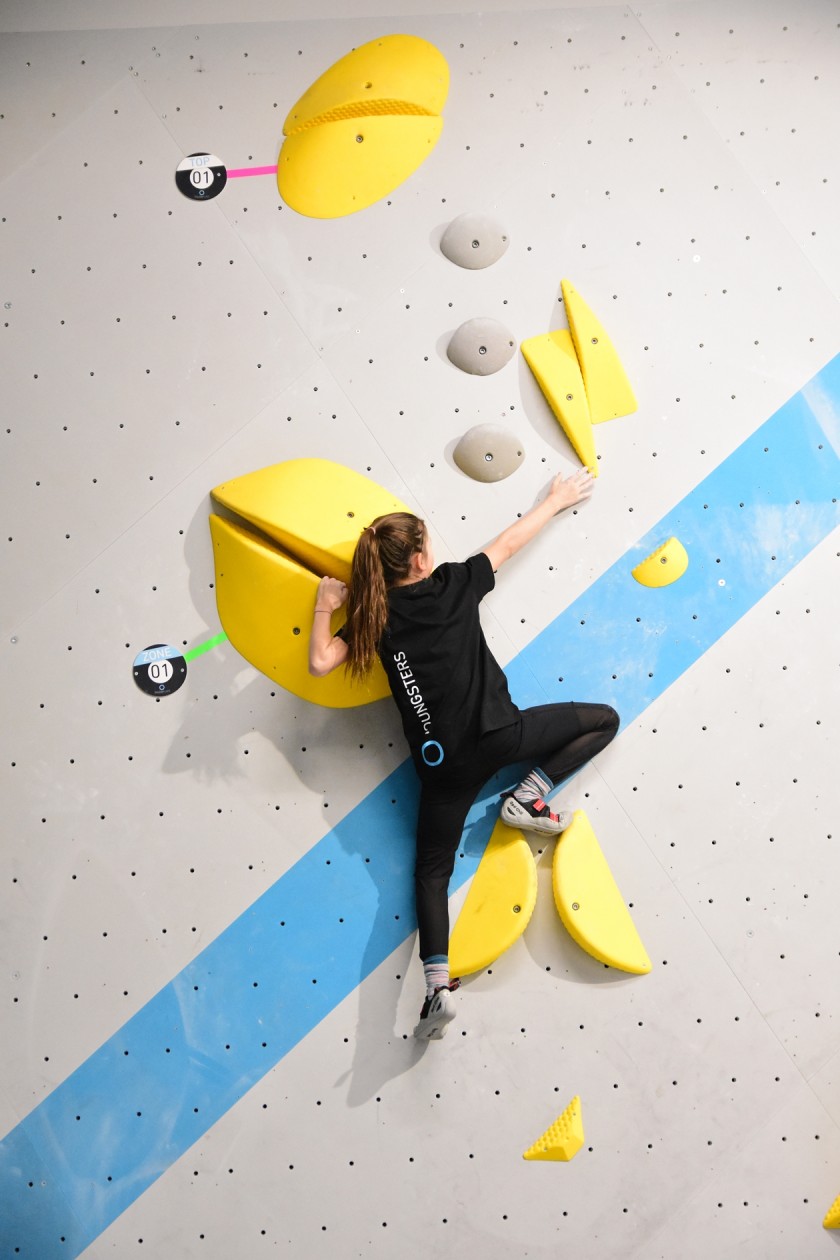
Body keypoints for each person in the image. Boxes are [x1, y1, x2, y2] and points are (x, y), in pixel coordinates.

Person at [309, 468, 619, 1041]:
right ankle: (529, 797)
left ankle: (436, 988)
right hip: (503, 737)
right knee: (603, 720)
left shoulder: (376, 621)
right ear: (422, 560)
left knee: (431, 872)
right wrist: (555, 499)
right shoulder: (453, 585)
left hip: (442, 770)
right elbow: (507, 543)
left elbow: (322, 662)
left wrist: (327, 604)